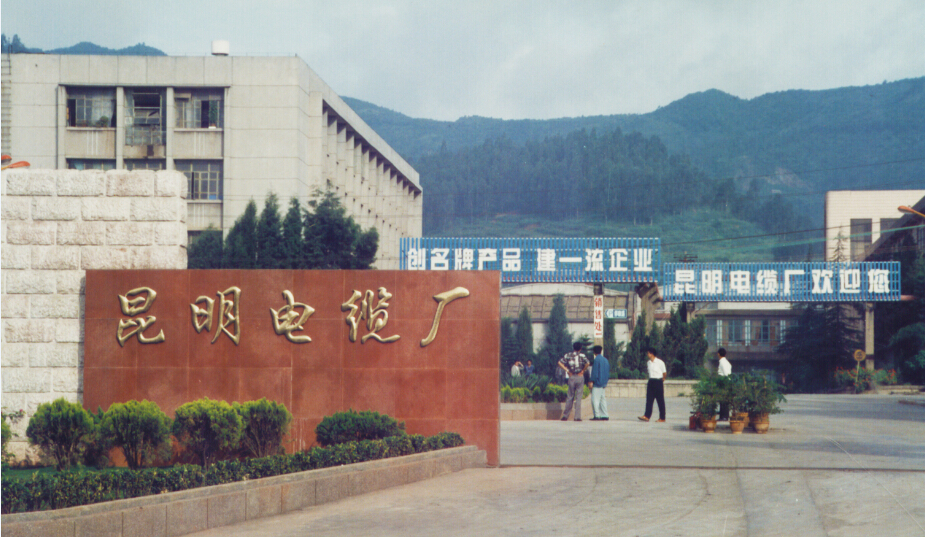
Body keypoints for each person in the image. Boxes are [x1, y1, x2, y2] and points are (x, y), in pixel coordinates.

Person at [559, 342, 590, 421]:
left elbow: (560, 363)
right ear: (580, 348)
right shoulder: (582, 355)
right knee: (578, 397)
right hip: (579, 376)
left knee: (570, 396)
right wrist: (583, 370)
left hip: (571, 376)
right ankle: (577, 417)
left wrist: (567, 370)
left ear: (573, 347)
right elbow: (587, 363)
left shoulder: (568, 355)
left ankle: (565, 416)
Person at [638, 346, 667, 422]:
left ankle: (662, 418)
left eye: (648, 353)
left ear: (652, 354)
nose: (647, 354)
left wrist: (662, 379)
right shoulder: (648, 363)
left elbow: (664, 373)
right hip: (651, 381)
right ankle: (647, 416)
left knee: (660, 400)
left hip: (658, 382)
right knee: (649, 400)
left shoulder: (660, 362)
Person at [589, 345, 610, 421]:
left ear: (594, 352)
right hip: (603, 383)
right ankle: (605, 415)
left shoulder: (596, 360)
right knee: (602, 399)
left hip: (597, 383)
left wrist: (591, 381)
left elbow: (594, 372)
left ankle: (596, 415)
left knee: (595, 400)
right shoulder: (605, 360)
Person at [717, 347, 731, 421]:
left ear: (718, 354)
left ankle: (724, 416)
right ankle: (723, 416)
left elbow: (726, 374)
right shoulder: (726, 362)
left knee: (723, 400)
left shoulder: (723, 362)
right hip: (725, 381)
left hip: (724, 381)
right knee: (723, 400)